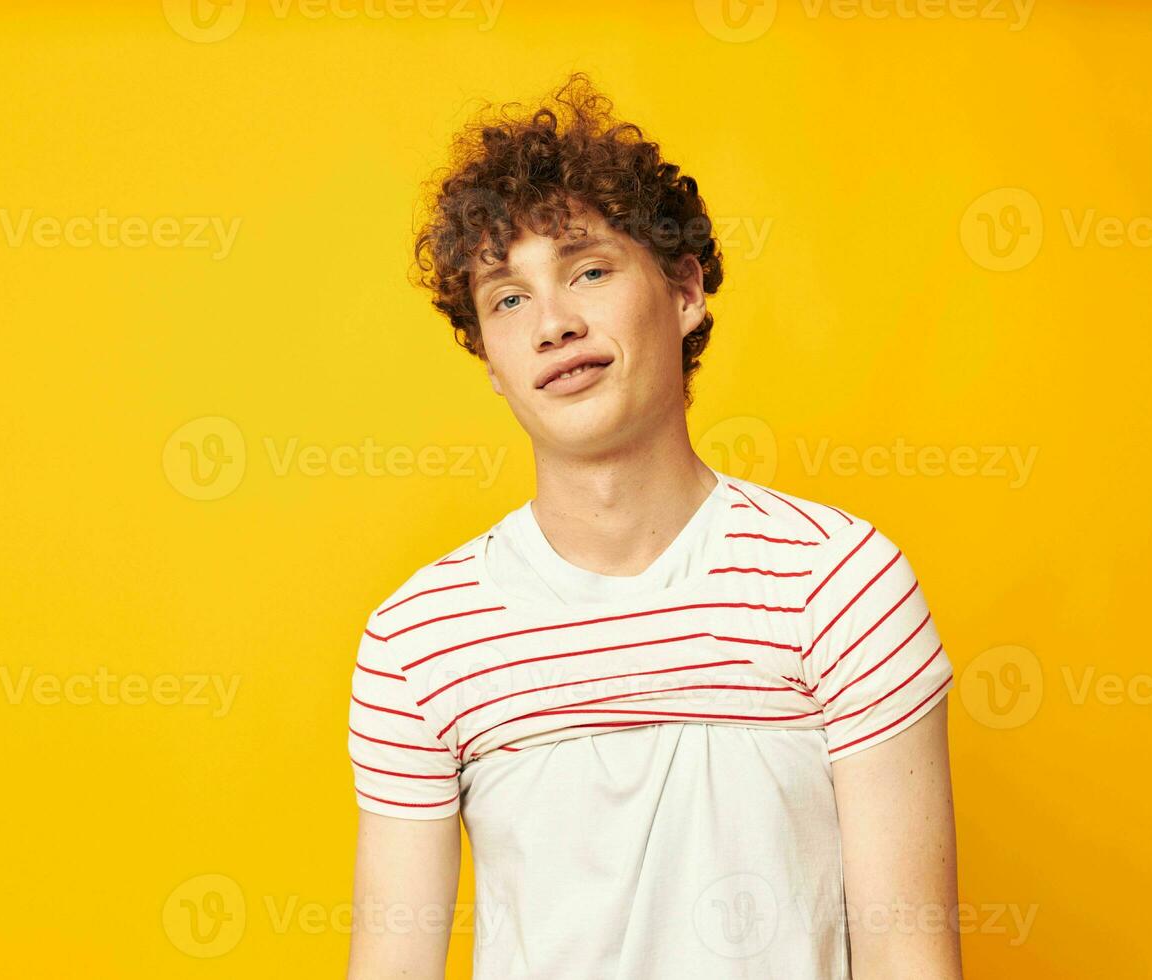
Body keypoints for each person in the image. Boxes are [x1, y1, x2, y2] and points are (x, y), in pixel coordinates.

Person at [346, 72, 963, 980]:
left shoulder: (841, 585)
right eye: (507, 299)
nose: (553, 323)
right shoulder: (417, 639)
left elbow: (910, 956)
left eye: (588, 270)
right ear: (491, 363)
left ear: (683, 292)